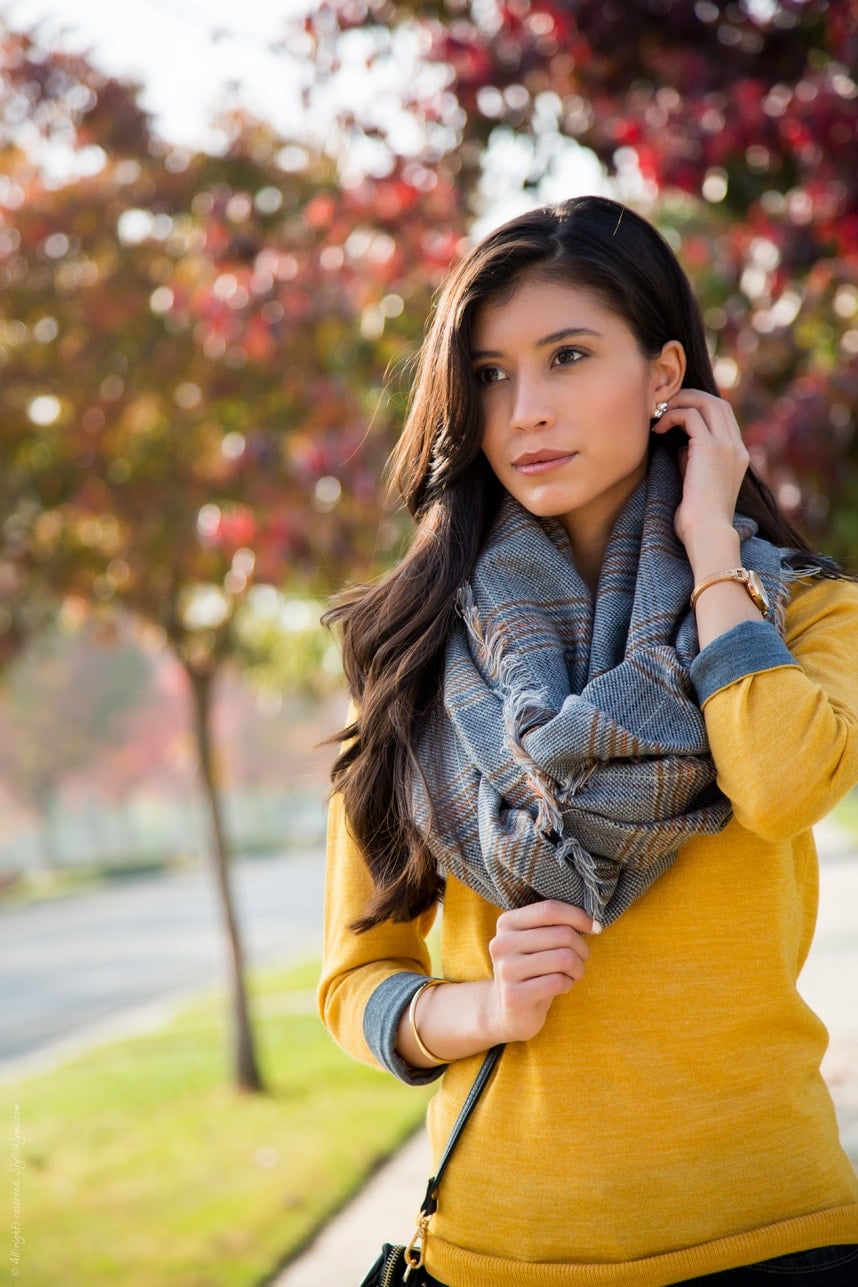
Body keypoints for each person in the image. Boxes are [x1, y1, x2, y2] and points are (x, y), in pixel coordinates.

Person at [320, 196, 858, 1285]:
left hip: (774, 1239)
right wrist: (481, 1007)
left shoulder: (800, 617)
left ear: (665, 377)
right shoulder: (415, 652)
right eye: (489, 373)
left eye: (567, 356)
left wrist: (714, 546)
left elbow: (782, 783)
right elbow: (356, 979)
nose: (525, 410)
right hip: (501, 1253)